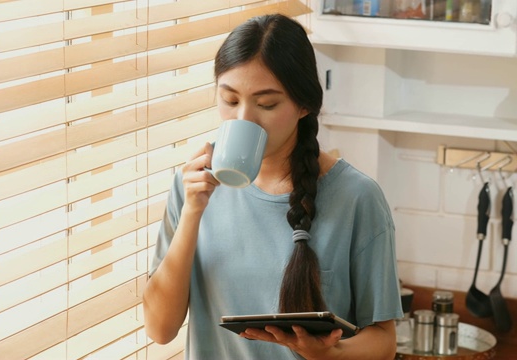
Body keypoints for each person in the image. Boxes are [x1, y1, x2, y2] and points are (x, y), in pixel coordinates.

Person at [143, 13, 403, 360]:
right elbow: (160, 329)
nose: (243, 119)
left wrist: (330, 354)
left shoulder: (357, 198)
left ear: (304, 105)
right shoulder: (192, 187)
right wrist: (192, 212)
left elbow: (384, 342)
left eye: (266, 104)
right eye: (230, 100)